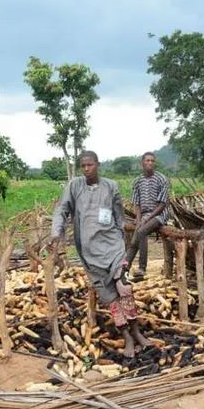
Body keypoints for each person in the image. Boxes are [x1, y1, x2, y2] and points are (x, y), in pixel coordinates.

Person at [51, 151, 151, 357]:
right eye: (83, 166)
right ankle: (127, 337)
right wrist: (56, 232)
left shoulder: (111, 186)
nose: (86, 169)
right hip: (89, 252)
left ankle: (136, 331)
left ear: (98, 165)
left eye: (90, 165)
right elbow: (62, 210)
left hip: (112, 246)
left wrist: (129, 229)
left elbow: (119, 216)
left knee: (124, 287)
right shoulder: (75, 186)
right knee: (110, 299)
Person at [126, 152, 169, 279]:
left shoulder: (162, 179)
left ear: (154, 163)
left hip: (159, 215)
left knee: (141, 232)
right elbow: (137, 204)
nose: (150, 163)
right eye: (147, 161)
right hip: (143, 215)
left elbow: (162, 205)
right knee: (135, 240)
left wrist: (147, 219)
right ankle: (125, 267)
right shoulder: (137, 181)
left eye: (152, 161)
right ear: (142, 163)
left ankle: (142, 268)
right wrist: (139, 220)